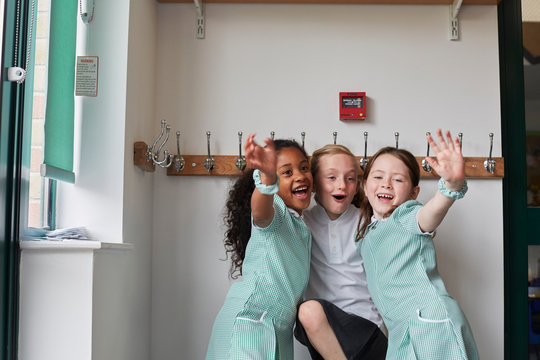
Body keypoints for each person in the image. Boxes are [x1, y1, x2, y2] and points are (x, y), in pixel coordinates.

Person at [355, 129, 479, 359]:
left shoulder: (405, 216)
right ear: (364, 185)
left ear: (414, 193)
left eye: (398, 179)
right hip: (402, 329)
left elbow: (430, 213)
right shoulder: (367, 234)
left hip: (429, 324)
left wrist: (450, 188)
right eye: (378, 176)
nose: (387, 184)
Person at [206, 134, 313, 360]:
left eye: (304, 168)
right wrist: (266, 179)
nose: (300, 176)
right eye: (287, 172)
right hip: (250, 323)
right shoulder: (277, 211)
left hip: (277, 330)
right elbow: (260, 211)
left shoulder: (301, 227)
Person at [294, 144, 388, 360]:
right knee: (307, 312)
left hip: (367, 331)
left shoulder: (368, 221)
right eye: (331, 177)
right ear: (314, 183)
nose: (342, 186)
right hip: (323, 337)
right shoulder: (302, 223)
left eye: (350, 178)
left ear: (358, 186)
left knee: (308, 311)